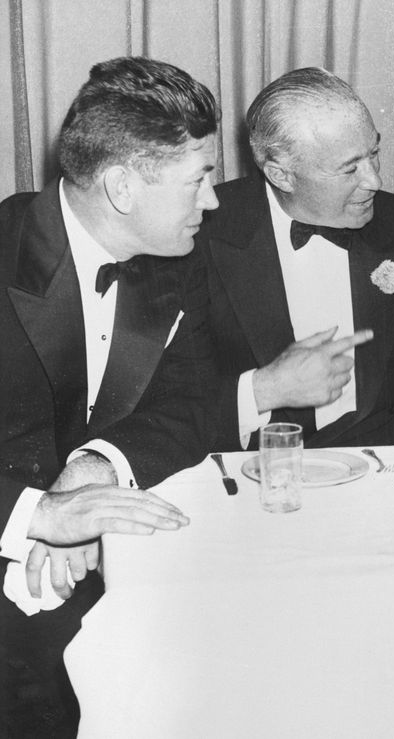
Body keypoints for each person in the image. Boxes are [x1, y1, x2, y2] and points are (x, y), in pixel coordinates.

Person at [0, 56, 220, 736]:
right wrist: (40, 514)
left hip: (105, 572)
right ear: (123, 186)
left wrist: (95, 465)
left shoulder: (175, 260)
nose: (213, 201)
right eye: (200, 180)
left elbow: (191, 402)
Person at [198, 67, 394, 450]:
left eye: (373, 154)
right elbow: (165, 401)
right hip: (252, 473)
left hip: (383, 472)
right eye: (350, 168)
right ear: (281, 175)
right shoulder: (202, 235)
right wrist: (262, 391)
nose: (374, 181)